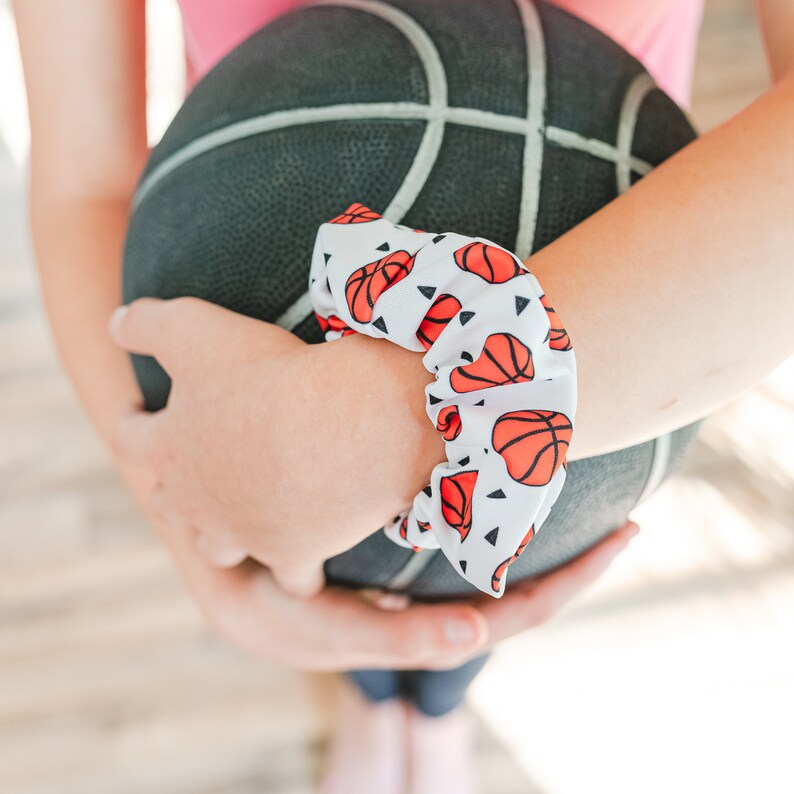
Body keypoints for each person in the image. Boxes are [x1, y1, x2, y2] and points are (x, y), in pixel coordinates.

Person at [13, 1, 793, 793]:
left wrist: (380, 417)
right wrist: (189, 525)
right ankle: (376, 696)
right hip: (250, 192)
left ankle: (441, 701)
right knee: (342, 580)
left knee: (480, 582)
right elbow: (85, 180)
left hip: (662, 288)